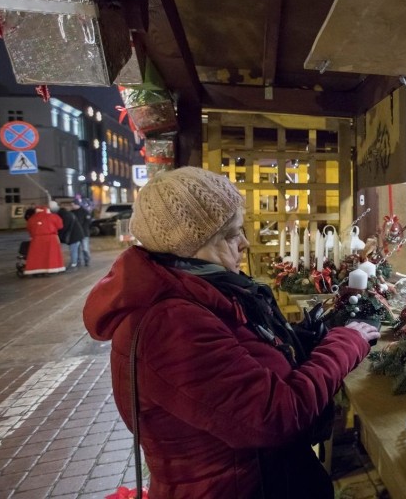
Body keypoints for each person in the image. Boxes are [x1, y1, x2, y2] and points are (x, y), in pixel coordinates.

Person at [83, 167, 379, 498]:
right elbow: (275, 415)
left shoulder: (198, 293)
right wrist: (347, 342)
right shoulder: (171, 324)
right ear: (188, 244)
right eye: (231, 235)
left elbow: (242, 355)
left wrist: (304, 339)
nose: (245, 243)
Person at [24, 204, 65, 275]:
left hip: (36, 239)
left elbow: (28, 228)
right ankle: (52, 268)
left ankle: (37, 269)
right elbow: (60, 226)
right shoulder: (53, 216)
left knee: (38, 255)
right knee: (51, 254)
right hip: (51, 238)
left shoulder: (32, 218)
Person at [50, 201, 84, 270]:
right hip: (77, 234)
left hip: (74, 236)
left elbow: (63, 227)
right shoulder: (67, 214)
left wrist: (59, 235)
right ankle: (77, 262)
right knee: (76, 250)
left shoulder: (64, 216)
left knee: (73, 250)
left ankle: (73, 264)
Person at [72, 200, 93, 267]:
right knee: (77, 248)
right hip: (76, 234)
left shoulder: (84, 212)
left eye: (73, 205)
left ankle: (86, 260)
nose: (72, 206)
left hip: (84, 233)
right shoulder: (72, 212)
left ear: (76, 204)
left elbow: (88, 221)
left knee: (85, 247)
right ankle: (78, 261)